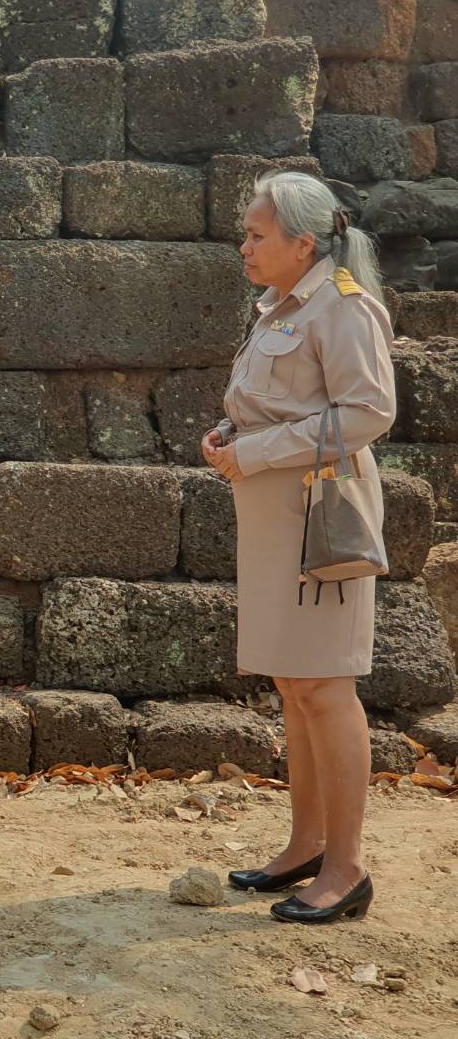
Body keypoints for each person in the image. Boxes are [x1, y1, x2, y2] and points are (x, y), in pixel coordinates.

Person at [202, 171, 396, 925]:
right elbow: (277, 400)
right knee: (294, 683)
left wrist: (256, 451)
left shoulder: (343, 305)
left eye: (255, 235)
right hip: (275, 514)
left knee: (325, 685)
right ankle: (305, 846)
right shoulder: (283, 304)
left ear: (301, 243)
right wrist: (231, 435)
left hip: (322, 512)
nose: (243, 247)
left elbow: (367, 412)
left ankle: (345, 868)